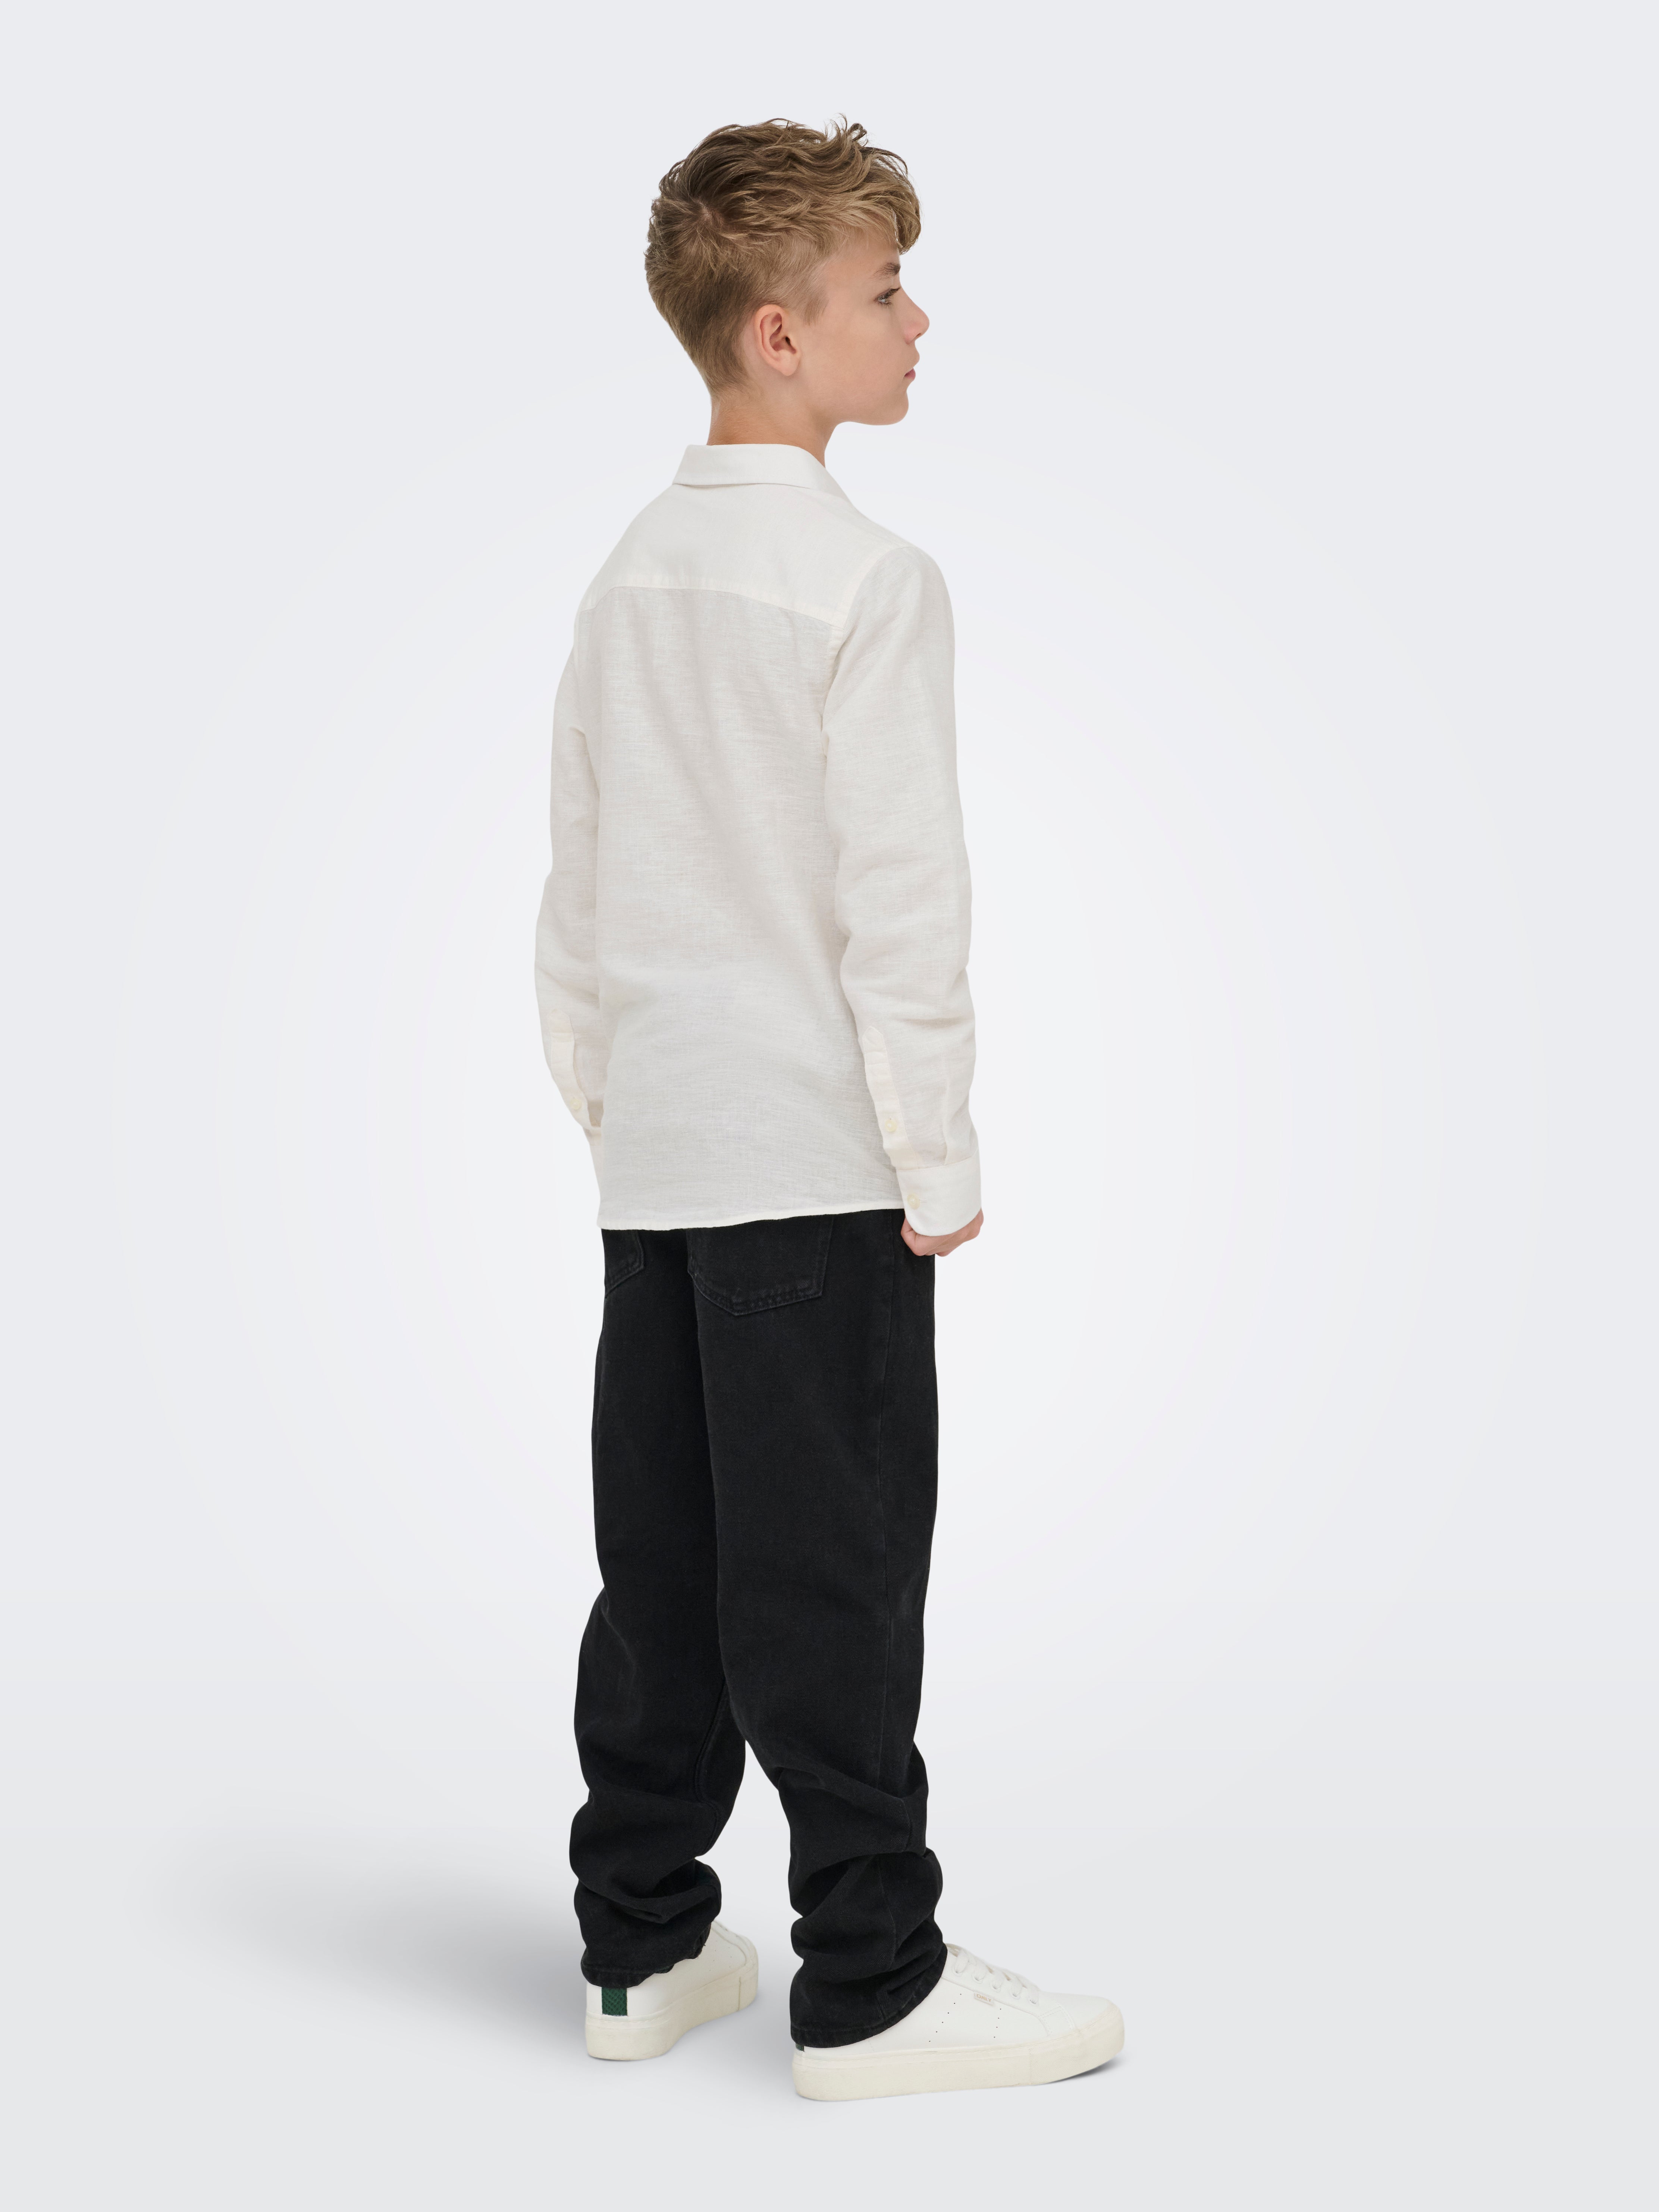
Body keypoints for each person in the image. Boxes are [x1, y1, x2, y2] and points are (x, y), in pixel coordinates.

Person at [534, 117, 1123, 2101]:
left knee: (665, 1564)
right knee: (835, 1570)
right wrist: (934, 1152)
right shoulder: (866, 579)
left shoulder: (629, 576)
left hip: (662, 1163)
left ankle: (642, 1943)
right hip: (811, 1161)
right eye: (886, 291)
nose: (920, 320)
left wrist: (615, 1105)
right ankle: (872, 1975)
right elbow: (901, 903)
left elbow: (577, 886)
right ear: (779, 335)